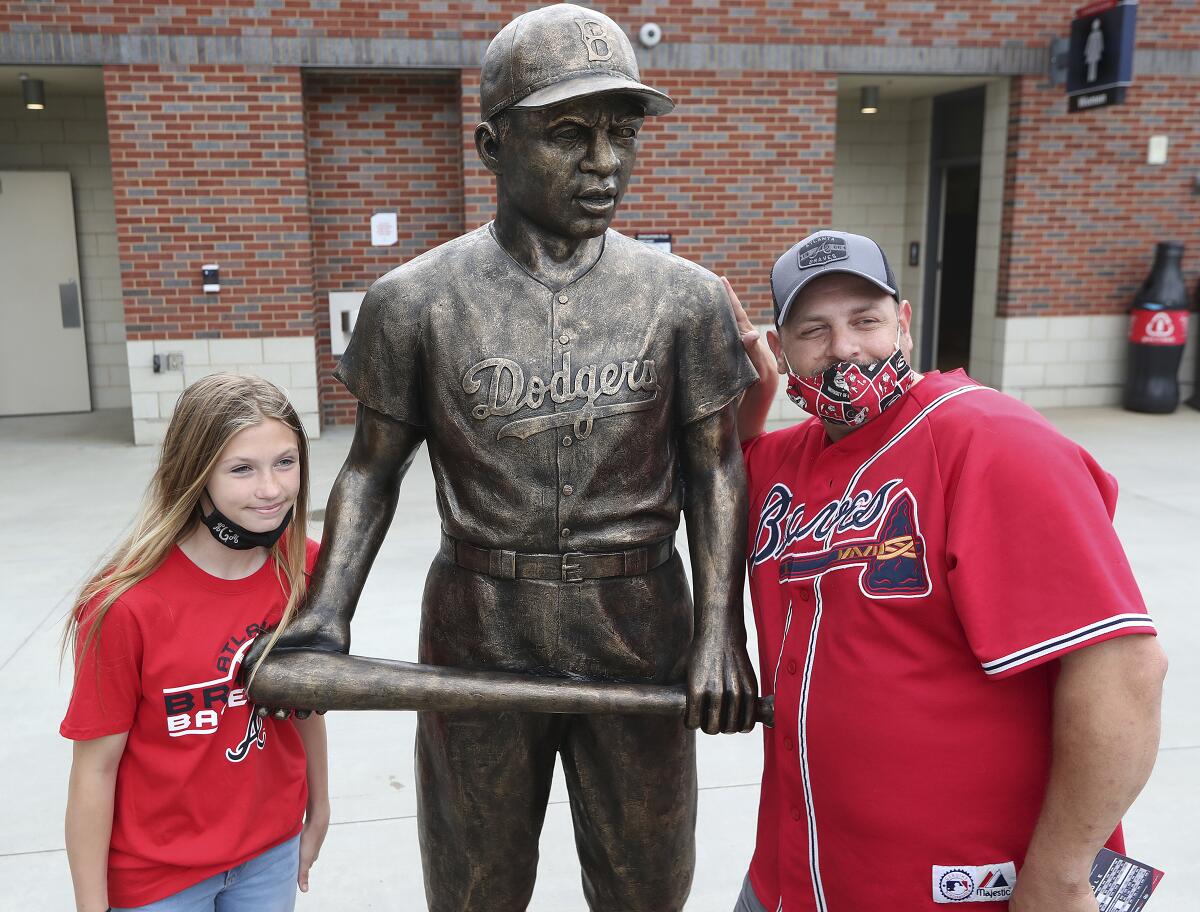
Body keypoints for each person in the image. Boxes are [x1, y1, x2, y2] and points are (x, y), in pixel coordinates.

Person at [245, 5, 759, 910]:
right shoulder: (415, 301)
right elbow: (371, 468)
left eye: (621, 133)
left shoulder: (685, 299)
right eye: (569, 134)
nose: (605, 163)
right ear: (492, 145)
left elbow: (715, 467)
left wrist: (722, 633)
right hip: (478, 627)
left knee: (646, 886)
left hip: (638, 624)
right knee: (474, 886)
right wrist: (325, 616)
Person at [723, 230, 1166, 911]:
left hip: (959, 887)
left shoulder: (993, 442)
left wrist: (1061, 877)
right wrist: (750, 404)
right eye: (814, 330)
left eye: (865, 321)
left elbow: (1124, 670)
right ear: (782, 354)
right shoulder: (778, 464)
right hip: (793, 876)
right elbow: (692, 486)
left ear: (903, 323)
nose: (844, 349)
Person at [61, 374, 329, 912]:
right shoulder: (123, 605)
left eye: (285, 461)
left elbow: (305, 701)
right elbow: (96, 768)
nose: (272, 488)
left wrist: (319, 806)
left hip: (268, 854)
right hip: (158, 879)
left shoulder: (305, 568)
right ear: (195, 474)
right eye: (242, 469)